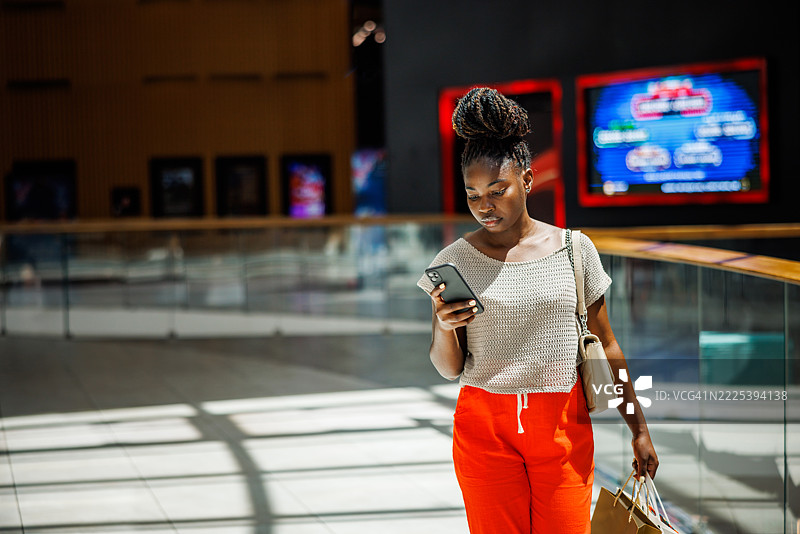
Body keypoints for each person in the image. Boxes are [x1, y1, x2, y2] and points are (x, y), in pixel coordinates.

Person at [416, 87, 658, 534]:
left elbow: (606, 341)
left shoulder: (574, 249)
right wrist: (445, 328)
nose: (484, 206)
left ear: (528, 180)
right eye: (472, 195)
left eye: (497, 190)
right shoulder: (454, 261)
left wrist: (638, 428)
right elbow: (448, 368)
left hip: (562, 426)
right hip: (483, 425)